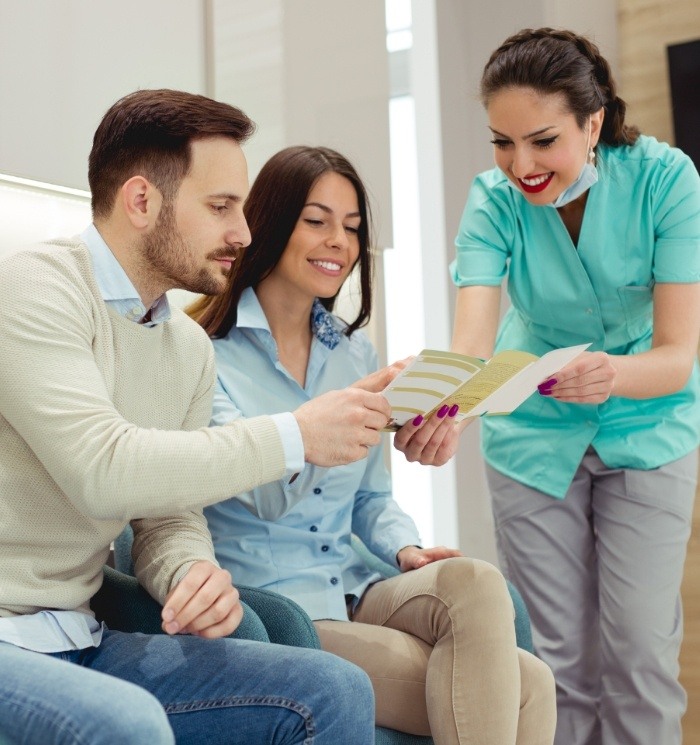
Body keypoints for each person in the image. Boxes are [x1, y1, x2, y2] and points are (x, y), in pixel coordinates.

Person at [0, 89, 390, 744]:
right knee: (128, 724)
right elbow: (105, 468)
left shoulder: (184, 348)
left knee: (333, 686)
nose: (243, 231)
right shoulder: (35, 290)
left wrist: (187, 571)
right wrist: (293, 434)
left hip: (80, 635)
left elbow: (167, 513)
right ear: (142, 201)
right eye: (220, 207)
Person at [188, 144, 557, 745]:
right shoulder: (203, 353)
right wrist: (333, 416)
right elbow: (264, 497)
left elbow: (370, 499)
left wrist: (404, 548)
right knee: (529, 688)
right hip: (278, 608)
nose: (339, 240)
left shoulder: (353, 352)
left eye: (353, 227)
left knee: (477, 582)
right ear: (271, 222)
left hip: (356, 583)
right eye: (317, 221)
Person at [448, 28, 700, 745]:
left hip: (648, 424)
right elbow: (471, 343)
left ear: (593, 122)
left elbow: (678, 355)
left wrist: (611, 374)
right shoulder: (492, 202)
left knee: (642, 656)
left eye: (542, 140)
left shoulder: (665, 179)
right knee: (555, 664)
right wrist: (443, 411)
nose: (520, 165)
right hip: (529, 431)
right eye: (502, 142)